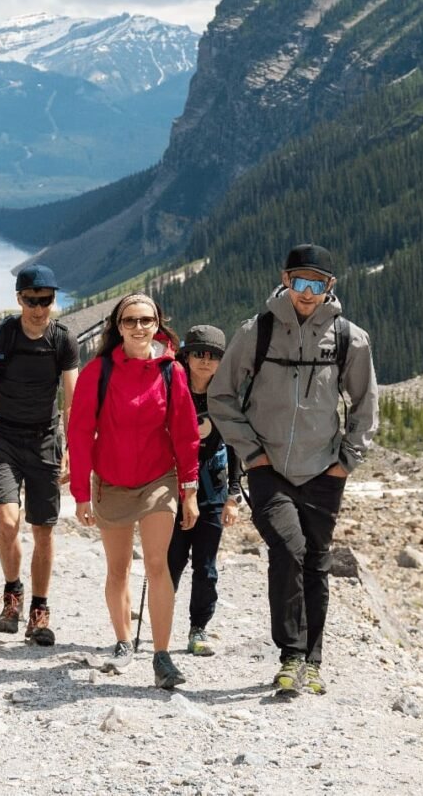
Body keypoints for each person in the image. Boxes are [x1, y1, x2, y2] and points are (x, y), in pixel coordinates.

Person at [208, 243, 378, 697]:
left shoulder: (348, 338)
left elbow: (366, 405)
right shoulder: (257, 332)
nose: (307, 292)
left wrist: (347, 462)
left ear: (329, 287)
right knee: (288, 549)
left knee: (317, 562)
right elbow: (221, 395)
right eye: (300, 282)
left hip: (324, 471)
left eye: (317, 284)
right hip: (268, 468)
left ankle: (313, 661)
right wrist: (251, 453)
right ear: (285, 280)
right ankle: (290, 655)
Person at [68, 292, 201, 689]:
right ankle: (124, 641)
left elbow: (186, 432)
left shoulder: (171, 371)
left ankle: (162, 656)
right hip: (111, 481)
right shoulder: (99, 371)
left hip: (159, 481)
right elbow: (79, 433)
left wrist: (189, 488)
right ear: (118, 326)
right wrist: (81, 493)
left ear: (157, 324)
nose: (139, 328)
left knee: (157, 564)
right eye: (131, 321)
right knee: (118, 569)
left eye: (147, 320)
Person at [0, 265, 79, 645]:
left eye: (47, 300)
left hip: (45, 442)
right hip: (3, 439)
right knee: (7, 521)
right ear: (19, 299)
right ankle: (12, 595)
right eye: (32, 300)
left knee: (44, 530)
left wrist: (70, 447)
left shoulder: (62, 340)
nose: (39, 308)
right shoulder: (0, 338)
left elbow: (71, 400)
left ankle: (39, 609)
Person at [166, 325, 243, 657]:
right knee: (170, 561)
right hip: (171, 489)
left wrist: (234, 495)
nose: (205, 361)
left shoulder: (228, 398)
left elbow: (239, 447)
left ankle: (199, 628)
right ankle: (161, 625)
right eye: (198, 353)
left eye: (213, 356)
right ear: (186, 355)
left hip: (212, 491)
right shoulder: (170, 389)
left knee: (206, 566)